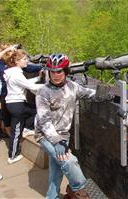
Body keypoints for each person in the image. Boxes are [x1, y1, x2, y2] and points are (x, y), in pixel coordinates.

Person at [35, 54, 95, 199]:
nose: (55, 75)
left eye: (59, 71)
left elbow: (88, 93)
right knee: (69, 161)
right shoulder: (43, 91)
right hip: (45, 135)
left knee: (56, 173)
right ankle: (80, 189)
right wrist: (57, 141)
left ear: (66, 71)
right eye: (53, 71)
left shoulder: (72, 86)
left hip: (63, 135)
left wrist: (112, 96)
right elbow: (44, 121)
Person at [4, 49, 43, 164]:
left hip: (13, 103)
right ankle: (12, 156)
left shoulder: (12, 72)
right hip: (17, 104)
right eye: (25, 59)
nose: (27, 61)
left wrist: (38, 78)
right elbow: (29, 86)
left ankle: (25, 129)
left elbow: (24, 82)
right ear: (17, 61)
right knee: (17, 130)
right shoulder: (16, 73)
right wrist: (48, 86)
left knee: (19, 126)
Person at [0, 40, 42, 139]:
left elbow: (29, 68)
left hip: (10, 96)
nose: (13, 53)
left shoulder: (14, 66)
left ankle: (14, 141)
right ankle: (12, 142)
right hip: (4, 96)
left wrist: (42, 67)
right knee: (6, 120)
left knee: (10, 120)